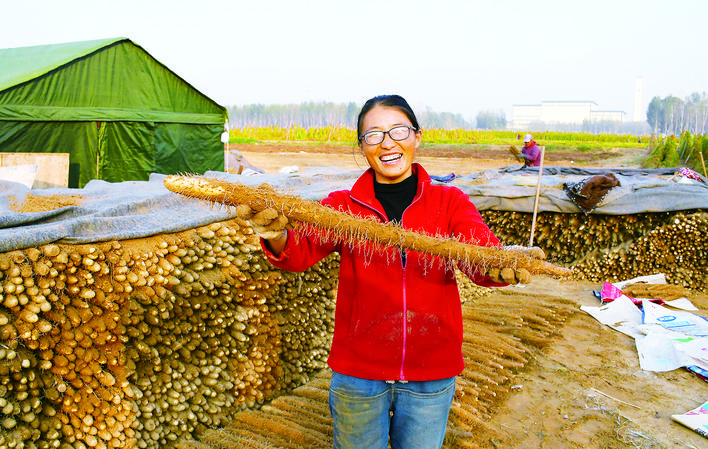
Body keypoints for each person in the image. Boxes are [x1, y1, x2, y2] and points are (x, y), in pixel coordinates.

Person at [243, 95, 544, 449]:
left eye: (399, 130)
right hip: (359, 372)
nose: (388, 142)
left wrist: (503, 263)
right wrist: (275, 233)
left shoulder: (450, 203)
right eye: (374, 135)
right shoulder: (342, 206)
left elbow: (479, 254)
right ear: (362, 146)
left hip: (431, 371)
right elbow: (299, 252)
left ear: (417, 137)